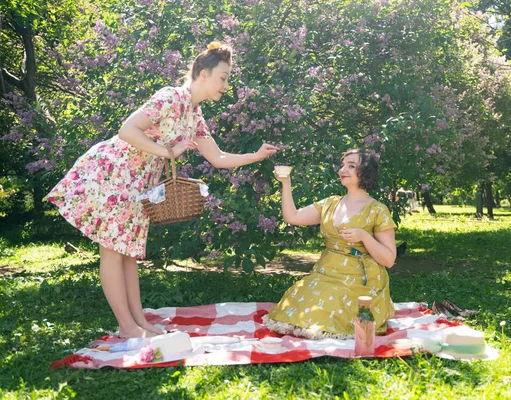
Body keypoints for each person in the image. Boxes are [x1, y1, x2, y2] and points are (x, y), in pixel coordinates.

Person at [46, 42, 278, 338]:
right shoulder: (170, 97)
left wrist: (255, 156)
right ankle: (126, 326)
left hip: (138, 183)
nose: (226, 85)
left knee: (128, 252)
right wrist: (167, 151)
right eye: (223, 77)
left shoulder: (194, 114)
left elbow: (217, 158)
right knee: (113, 252)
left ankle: (138, 321)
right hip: (114, 173)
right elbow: (127, 131)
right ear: (203, 74)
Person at [263, 149, 396, 339]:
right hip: (325, 272)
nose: (343, 169)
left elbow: (389, 259)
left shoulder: (377, 210)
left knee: (330, 304)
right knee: (299, 302)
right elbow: (292, 217)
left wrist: (364, 236)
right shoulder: (331, 203)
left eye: (351, 166)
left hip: (361, 279)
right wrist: (286, 182)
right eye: (343, 165)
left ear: (365, 172)